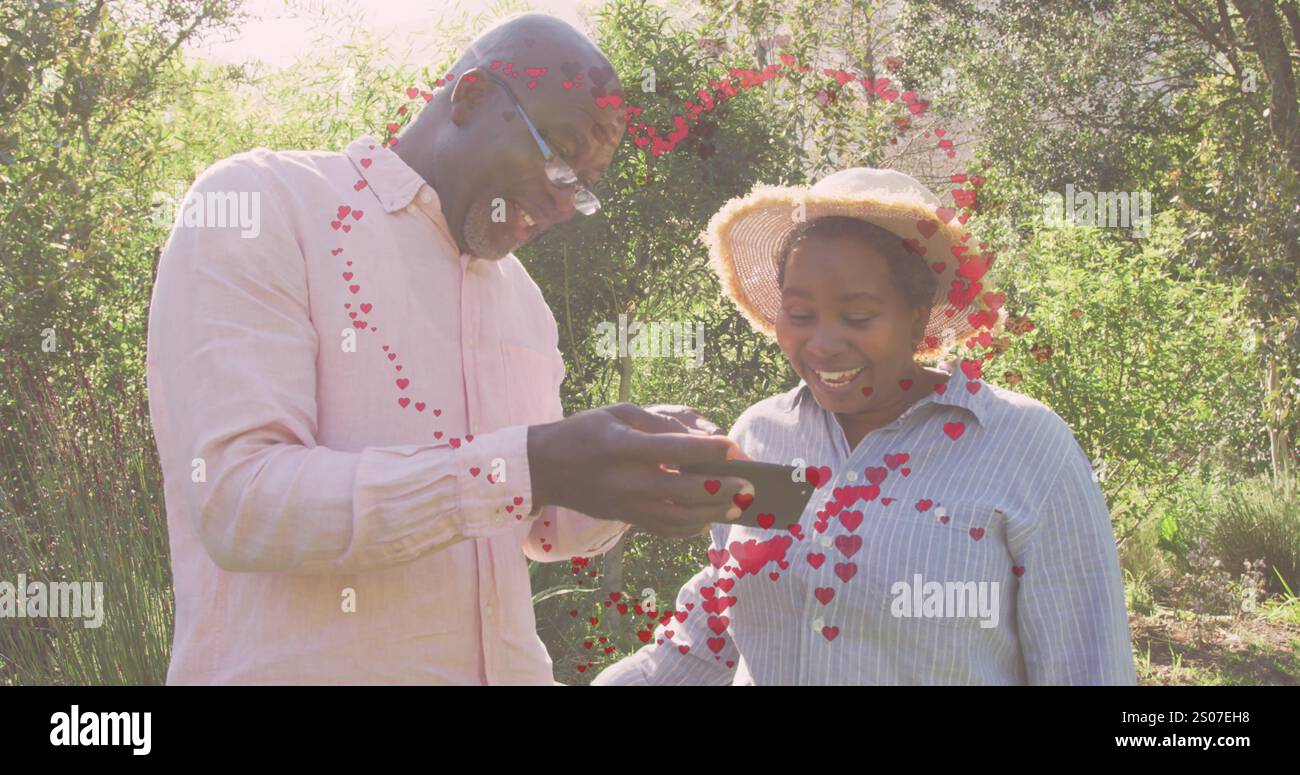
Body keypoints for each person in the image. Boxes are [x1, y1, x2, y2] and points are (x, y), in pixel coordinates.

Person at [145, 12, 750, 685]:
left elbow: (534, 526)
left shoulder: (524, 302)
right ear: (470, 98)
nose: (559, 201)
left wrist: (634, 474)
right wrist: (529, 463)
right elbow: (242, 505)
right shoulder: (261, 206)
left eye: (581, 185)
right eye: (556, 154)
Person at [593, 168, 1137, 685]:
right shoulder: (767, 437)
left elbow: (1087, 664)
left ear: (918, 314)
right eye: (800, 315)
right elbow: (720, 621)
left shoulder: (1022, 447)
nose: (824, 342)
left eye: (857, 317)